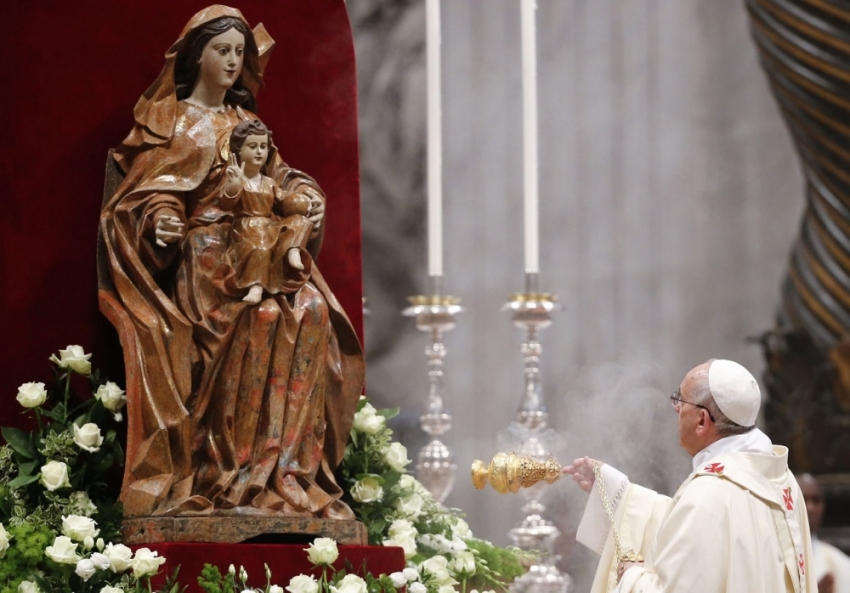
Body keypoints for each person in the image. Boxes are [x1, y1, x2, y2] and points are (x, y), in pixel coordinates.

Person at [99, 6, 364, 519]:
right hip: (207, 261)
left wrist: (305, 196)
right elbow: (153, 192)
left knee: (310, 310)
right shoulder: (174, 122)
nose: (232, 60)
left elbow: (281, 178)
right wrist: (162, 220)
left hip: (262, 251)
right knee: (259, 318)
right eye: (222, 50)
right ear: (198, 55)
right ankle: (227, 472)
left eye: (240, 52)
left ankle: (284, 472)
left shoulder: (248, 122)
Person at [564, 359, 816, 592]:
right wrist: (620, 495)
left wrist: (631, 576)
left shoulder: (708, 493)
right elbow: (701, 533)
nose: (676, 409)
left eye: (680, 400)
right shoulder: (782, 482)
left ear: (701, 421)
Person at [220, 119, 314, 305]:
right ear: (239, 150)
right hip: (247, 229)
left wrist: (302, 202)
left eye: (263, 146)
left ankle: (292, 249)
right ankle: (256, 286)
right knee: (261, 249)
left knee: (301, 221)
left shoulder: (269, 182)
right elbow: (224, 203)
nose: (259, 151)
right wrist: (234, 186)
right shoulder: (237, 179)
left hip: (269, 226)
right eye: (253, 146)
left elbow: (284, 199)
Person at [799, 473, 850, 593]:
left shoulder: (841, 564)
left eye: (816, 500)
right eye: (802, 499)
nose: (809, 508)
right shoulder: (770, 556)